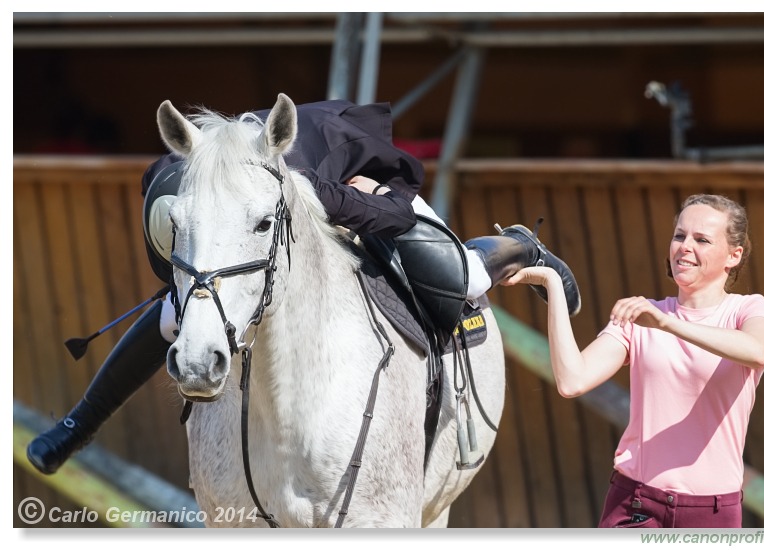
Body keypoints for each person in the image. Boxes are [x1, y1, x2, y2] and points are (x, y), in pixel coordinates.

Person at [27, 98, 582, 475]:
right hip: (247, 209)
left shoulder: (319, 186)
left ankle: (517, 246)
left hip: (360, 182)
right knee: (178, 310)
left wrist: (365, 199)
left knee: (461, 277)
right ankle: (81, 422)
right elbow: (187, 254)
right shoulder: (170, 180)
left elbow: (391, 210)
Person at [502, 193, 764, 528]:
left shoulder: (748, 309)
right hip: (635, 502)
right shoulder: (641, 318)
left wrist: (667, 323)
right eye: (679, 235)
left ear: (733, 256)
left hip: (712, 515)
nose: (684, 246)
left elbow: (755, 350)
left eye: (702, 239)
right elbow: (571, 381)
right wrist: (553, 284)